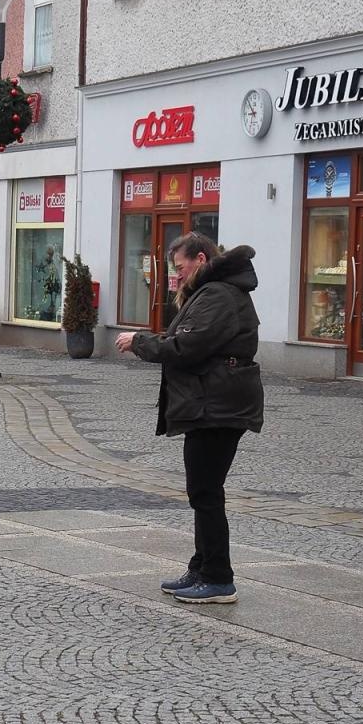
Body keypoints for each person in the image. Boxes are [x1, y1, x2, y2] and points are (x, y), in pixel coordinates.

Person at [114, 234, 264, 605]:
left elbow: (186, 346)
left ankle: (218, 578)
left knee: (206, 492)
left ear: (200, 258)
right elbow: (187, 339)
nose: (176, 276)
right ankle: (201, 567)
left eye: (180, 268)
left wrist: (139, 342)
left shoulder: (218, 294)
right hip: (212, 403)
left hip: (216, 406)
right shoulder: (214, 291)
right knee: (203, 490)